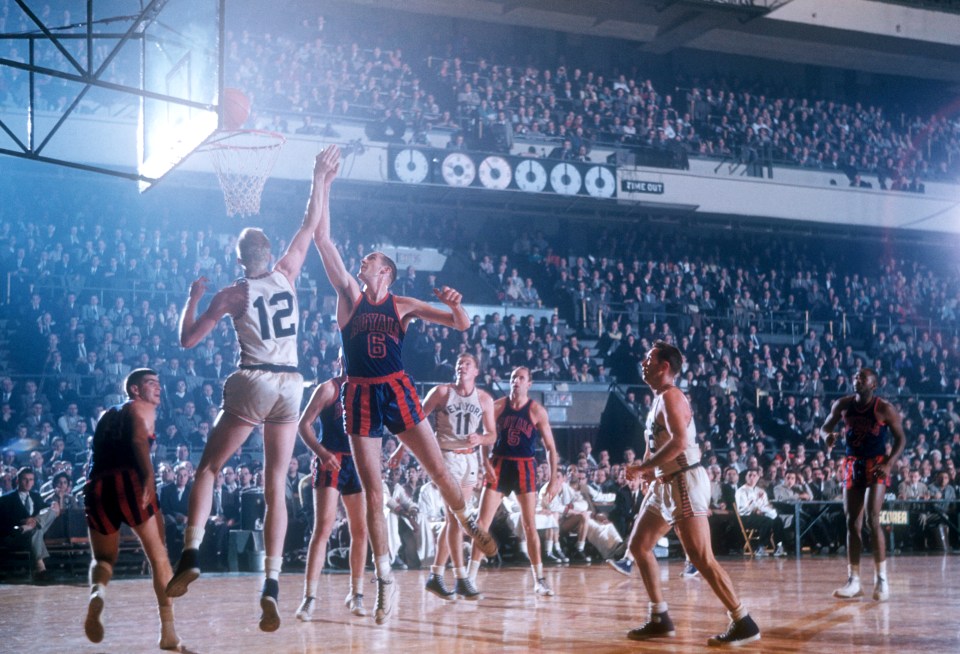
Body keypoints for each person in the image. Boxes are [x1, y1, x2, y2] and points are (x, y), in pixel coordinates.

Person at [311, 143, 497, 625]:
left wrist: (455, 304)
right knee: (375, 492)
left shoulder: (403, 304)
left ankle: (468, 521)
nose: (361, 263)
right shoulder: (349, 296)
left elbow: (461, 325)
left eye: (369, 260)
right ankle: (384, 582)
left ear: (386, 272)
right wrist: (322, 182)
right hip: (359, 394)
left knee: (439, 472)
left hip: (396, 389)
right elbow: (322, 239)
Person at [165, 146, 342, 633]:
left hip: (255, 378)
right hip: (292, 383)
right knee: (275, 483)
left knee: (209, 467)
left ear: (240, 259)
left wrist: (192, 298)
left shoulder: (232, 293)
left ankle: (192, 553)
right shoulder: (288, 271)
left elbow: (187, 340)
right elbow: (310, 223)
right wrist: (320, 177)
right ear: (270, 252)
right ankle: (272, 584)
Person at [625, 341, 760, 646]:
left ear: (664, 366)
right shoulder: (658, 399)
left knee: (700, 557)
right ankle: (659, 617)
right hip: (664, 483)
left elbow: (679, 443)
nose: (643, 363)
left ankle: (743, 621)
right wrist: (646, 472)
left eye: (649, 359)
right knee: (639, 545)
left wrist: (644, 467)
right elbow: (656, 445)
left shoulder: (671, 396)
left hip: (683, 480)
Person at [81, 369, 180, 649]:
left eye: (159, 383)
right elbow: (137, 440)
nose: (158, 388)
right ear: (135, 390)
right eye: (151, 384)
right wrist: (148, 476)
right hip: (130, 481)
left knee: (103, 558)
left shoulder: (105, 415)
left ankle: (98, 593)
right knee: (159, 555)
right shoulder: (141, 408)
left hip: (97, 485)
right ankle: (168, 631)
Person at [389, 352, 495, 601]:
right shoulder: (441, 392)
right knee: (456, 517)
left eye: (467, 364)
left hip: (470, 459)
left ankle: (436, 575)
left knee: (454, 521)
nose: (462, 366)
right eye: (459, 363)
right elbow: (415, 421)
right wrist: (400, 449)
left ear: (476, 371)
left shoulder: (484, 399)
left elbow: (492, 434)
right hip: (446, 457)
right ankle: (460, 578)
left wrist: (481, 438)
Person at [467, 366, 561, 597]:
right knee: (481, 523)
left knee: (529, 525)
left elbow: (551, 448)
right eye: (513, 377)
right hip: (499, 464)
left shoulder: (536, 410)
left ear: (529, 383)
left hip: (524, 466)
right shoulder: (498, 406)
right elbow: (484, 436)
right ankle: (469, 578)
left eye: (521, 378)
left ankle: (539, 579)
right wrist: (484, 463)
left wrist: (552, 479)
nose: (516, 381)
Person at [820, 367, 905, 601]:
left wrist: (889, 463)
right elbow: (825, 427)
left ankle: (881, 579)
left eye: (862, 378)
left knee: (872, 519)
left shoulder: (884, 408)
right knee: (851, 522)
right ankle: (854, 580)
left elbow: (901, 438)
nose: (857, 379)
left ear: (873, 384)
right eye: (856, 376)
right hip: (852, 463)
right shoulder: (843, 404)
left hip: (876, 464)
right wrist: (827, 436)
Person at [294, 357, 369, 622]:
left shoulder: (366, 390)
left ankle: (356, 593)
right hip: (331, 458)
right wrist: (321, 453)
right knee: (323, 528)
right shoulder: (328, 388)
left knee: (360, 530)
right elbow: (303, 425)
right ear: (339, 359)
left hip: (357, 460)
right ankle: (309, 597)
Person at [0, 466, 59, 582]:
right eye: (25, 479)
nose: (28, 483)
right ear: (18, 481)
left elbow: (47, 512)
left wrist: (54, 505)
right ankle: (40, 569)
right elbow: (3, 523)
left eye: (31, 480)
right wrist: (21, 522)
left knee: (49, 513)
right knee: (36, 530)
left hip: (32, 532)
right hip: (15, 534)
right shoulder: (6, 499)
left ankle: (41, 569)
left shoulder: (36, 497)